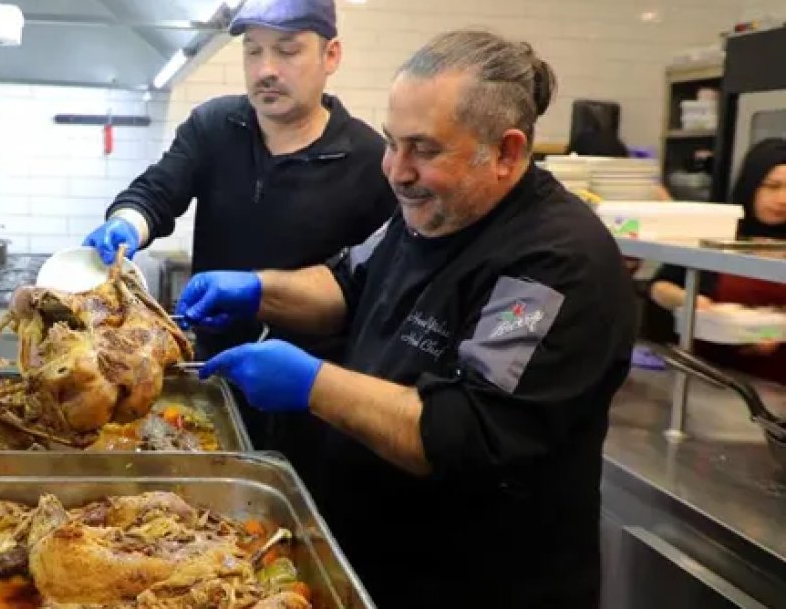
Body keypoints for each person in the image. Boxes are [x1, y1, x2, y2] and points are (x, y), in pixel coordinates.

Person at [176, 30, 637, 608]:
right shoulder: (426, 213)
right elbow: (347, 285)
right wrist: (257, 290)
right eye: (393, 143)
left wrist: (312, 384)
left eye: (424, 149)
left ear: (507, 152)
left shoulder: (551, 265)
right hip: (376, 564)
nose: (396, 170)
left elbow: (467, 432)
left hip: (475, 586)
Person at [82, 0, 395, 367]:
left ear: (331, 55)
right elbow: (155, 193)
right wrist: (129, 223)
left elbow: (375, 285)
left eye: (287, 50)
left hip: (310, 384)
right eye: (253, 51)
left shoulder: (371, 159)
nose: (266, 70)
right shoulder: (213, 126)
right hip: (213, 365)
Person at [648, 137, 786, 383]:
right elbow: (658, 287)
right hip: (709, 378)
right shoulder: (718, 233)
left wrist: (771, 332)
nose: (783, 199)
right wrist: (692, 302)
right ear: (751, 184)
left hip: (777, 387)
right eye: (772, 186)